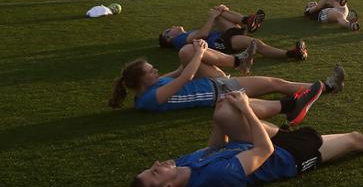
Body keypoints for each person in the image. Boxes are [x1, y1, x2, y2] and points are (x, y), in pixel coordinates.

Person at [127, 89, 363, 187]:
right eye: (155, 173)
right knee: (354, 139)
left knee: (224, 110)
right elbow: (265, 151)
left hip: (258, 143)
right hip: (287, 156)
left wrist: (221, 116)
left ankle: (291, 107)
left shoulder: (183, 166)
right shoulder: (217, 177)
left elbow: (215, 147)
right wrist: (246, 110)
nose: (157, 164)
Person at [110, 39, 344, 120]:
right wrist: (201, 52)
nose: (156, 71)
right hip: (220, 92)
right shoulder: (152, 98)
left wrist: (195, 51)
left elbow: (180, 70)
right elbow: (187, 75)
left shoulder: (150, 88)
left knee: (186, 51)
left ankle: (239, 61)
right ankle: (328, 86)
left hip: (213, 83)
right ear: (141, 81)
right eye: (151, 71)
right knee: (277, 84)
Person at [159, 5, 308, 62]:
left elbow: (206, 31)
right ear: (169, 38)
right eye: (168, 30)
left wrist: (221, 12)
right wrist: (213, 17)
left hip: (223, 36)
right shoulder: (179, 40)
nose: (172, 27)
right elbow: (203, 35)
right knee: (256, 44)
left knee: (217, 11)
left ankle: (248, 21)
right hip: (221, 43)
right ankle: (291, 54)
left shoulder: (182, 36)